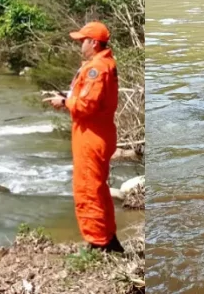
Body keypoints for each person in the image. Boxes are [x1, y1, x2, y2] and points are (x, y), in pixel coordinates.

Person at [43, 21, 124, 253]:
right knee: (98, 189)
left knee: (88, 189)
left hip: (91, 134)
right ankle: (108, 238)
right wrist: (67, 98)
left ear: (94, 43)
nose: (80, 45)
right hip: (96, 132)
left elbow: (86, 106)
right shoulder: (103, 64)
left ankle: (98, 243)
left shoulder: (97, 68)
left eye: (82, 41)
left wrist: (65, 102)